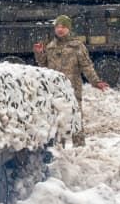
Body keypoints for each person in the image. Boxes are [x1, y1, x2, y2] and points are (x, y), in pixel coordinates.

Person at [34, 15, 109, 147]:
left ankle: (79, 148)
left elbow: (87, 66)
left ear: (69, 28)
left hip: (73, 89)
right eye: (57, 27)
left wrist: (96, 82)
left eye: (63, 27)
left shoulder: (77, 46)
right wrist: (40, 53)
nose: (60, 29)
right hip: (55, 90)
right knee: (57, 120)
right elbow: (44, 67)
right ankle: (58, 149)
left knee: (76, 120)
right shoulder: (50, 46)